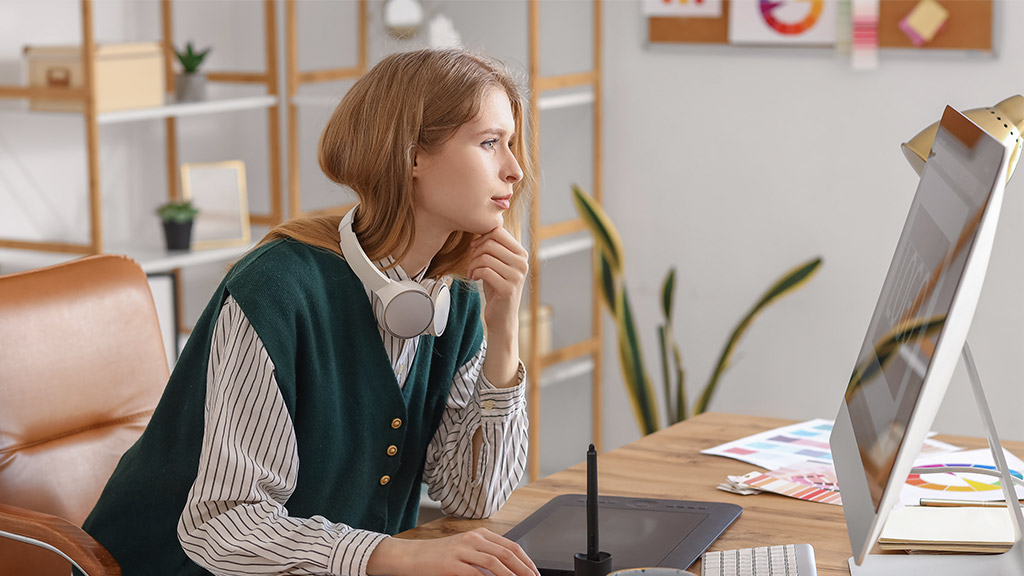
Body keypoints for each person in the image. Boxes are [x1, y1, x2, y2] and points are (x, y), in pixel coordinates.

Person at [82, 48, 539, 576]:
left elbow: (473, 497)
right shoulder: (276, 290)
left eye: (511, 144)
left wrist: (503, 332)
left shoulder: (456, 296)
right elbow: (224, 524)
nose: (515, 168)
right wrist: (391, 554)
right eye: (489, 143)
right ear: (412, 155)